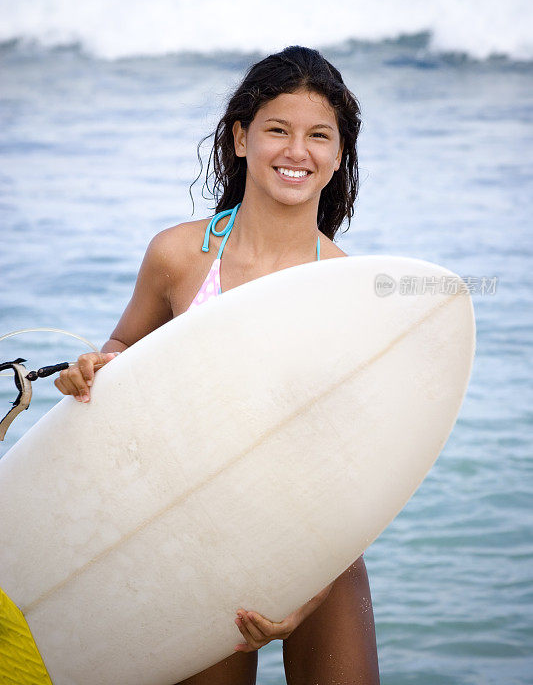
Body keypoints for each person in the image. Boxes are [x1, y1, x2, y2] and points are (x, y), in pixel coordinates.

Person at [54, 45, 381, 685]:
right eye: (277, 130)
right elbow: (126, 351)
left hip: (315, 544)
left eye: (319, 135)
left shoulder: (347, 287)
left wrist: (306, 595)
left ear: (338, 154)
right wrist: (92, 371)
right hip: (194, 541)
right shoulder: (180, 256)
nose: (297, 151)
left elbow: (354, 464)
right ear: (240, 138)